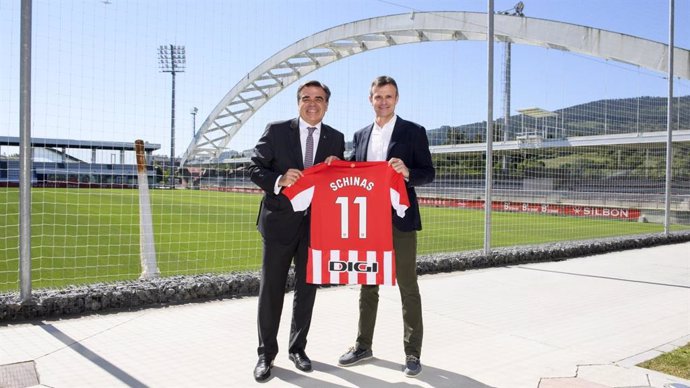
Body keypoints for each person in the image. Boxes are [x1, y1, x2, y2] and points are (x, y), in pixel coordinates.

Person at [337, 75, 435, 377]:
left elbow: (428, 172)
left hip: (400, 218)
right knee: (367, 285)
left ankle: (412, 353)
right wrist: (337, 163)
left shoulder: (414, 132)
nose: (383, 102)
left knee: (408, 285)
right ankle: (363, 345)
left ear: (397, 99)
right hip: (368, 219)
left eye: (388, 97)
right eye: (378, 97)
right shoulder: (360, 134)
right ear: (370, 99)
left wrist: (407, 172)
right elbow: (355, 171)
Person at [249, 80, 345, 382]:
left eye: (319, 98)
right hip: (279, 223)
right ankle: (266, 355)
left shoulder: (336, 138)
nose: (312, 103)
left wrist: (338, 165)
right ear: (298, 102)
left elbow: (339, 179)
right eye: (306, 98)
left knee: (307, 290)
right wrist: (279, 179)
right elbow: (254, 168)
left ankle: (298, 348)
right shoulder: (277, 131)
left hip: (317, 226)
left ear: (327, 105)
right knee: (271, 290)